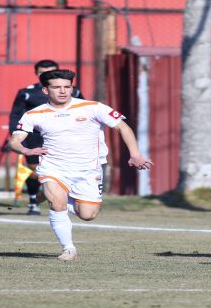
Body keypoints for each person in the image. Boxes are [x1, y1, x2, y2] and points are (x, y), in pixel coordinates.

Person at [9, 69, 153, 261]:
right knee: (57, 203)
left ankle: (46, 194)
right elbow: (15, 140)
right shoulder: (34, 114)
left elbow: (122, 127)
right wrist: (25, 150)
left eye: (67, 87)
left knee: (88, 215)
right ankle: (68, 248)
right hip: (54, 167)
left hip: (88, 170)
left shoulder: (93, 107)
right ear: (45, 90)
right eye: (57, 87)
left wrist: (135, 154)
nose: (63, 91)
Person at [8, 59, 104, 215]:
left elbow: (85, 109)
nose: (62, 90)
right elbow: (15, 116)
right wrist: (16, 136)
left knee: (59, 174)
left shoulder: (73, 91)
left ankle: (54, 195)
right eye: (41, 72)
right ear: (37, 74)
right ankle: (34, 200)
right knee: (34, 172)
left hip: (64, 139)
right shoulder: (26, 92)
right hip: (35, 138)